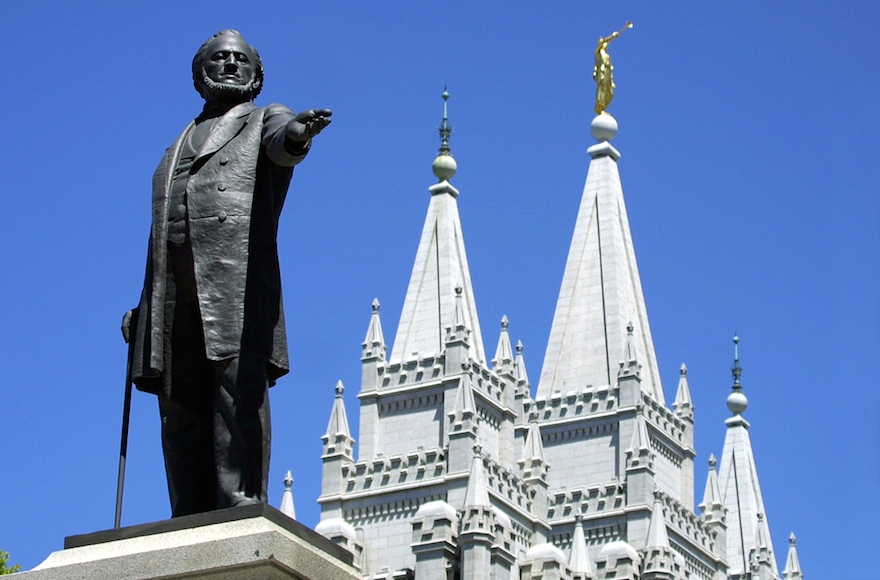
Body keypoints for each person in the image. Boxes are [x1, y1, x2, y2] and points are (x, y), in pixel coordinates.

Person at [121, 29, 331, 516]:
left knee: (236, 395)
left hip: (234, 285)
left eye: (241, 60)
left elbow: (283, 144)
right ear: (200, 75)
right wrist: (145, 305)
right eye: (219, 59)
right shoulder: (173, 148)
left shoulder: (263, 120)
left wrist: (298, 135)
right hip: (172, 293)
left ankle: (240, 503)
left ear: (256, 76)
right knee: (178, 404)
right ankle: (189, 511)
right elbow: (163, 235)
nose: (231, 65)